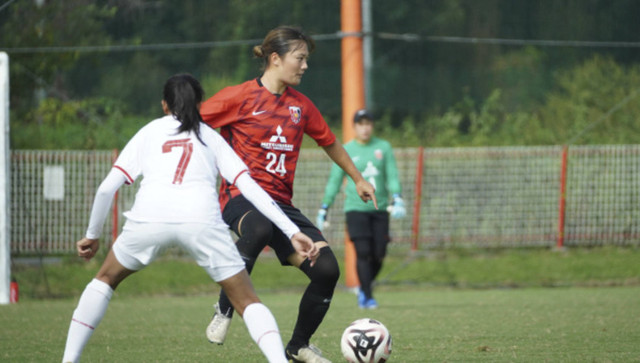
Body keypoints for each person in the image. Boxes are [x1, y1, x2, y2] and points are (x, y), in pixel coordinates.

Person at [61, 73, 320, 363]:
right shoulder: (210, 137)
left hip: (150, 218)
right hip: (201, 220)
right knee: (246, 300)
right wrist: (291, 230)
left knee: (105, 279)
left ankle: (69, 360)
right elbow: (250, 187)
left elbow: (107, 188)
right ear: (199, 104)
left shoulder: (149, 132)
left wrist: (92, 235)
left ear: (164, 105)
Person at [200, 26, 377, 362]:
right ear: (275, 58)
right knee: (259, 229)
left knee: (326, 269)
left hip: (280, 207)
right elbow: (188, 122)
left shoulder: (301, 107)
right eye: (300, 58)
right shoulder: (238, 97)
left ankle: (298, 346)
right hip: (241, 199)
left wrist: (357, 178)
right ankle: (224, 309)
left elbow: (330, 143)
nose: (305, 66)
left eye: (306, 59)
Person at [316, 109, 406, 309]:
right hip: (356, 209)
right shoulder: (346, 149)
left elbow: (391, 175)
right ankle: (366, 294)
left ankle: (365, 287)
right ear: (354, 126)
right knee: (363, 251)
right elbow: (335, 181)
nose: (364, 128)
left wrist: (397, 197)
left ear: (372, 126)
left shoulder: (384, 148)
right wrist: (325, 206)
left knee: (379, 253)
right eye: (360, 124)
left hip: (380, 208)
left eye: (368, 124)